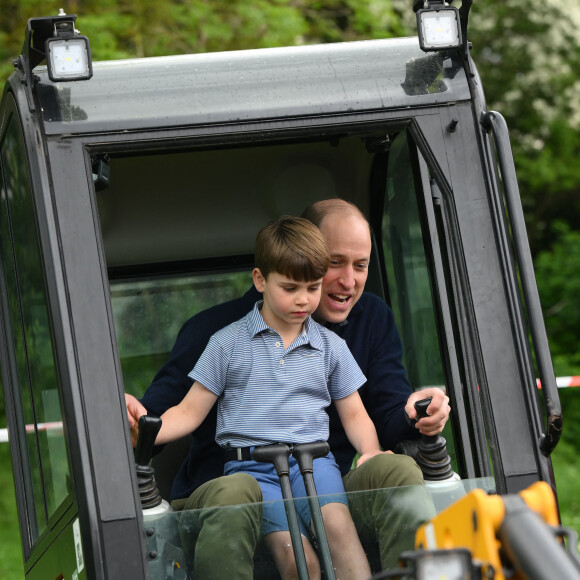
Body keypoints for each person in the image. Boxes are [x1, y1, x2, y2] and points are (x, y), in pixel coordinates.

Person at [126, 198, 450, 578]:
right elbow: (176, 412)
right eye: (335, 263)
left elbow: (369, 411)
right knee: (274, 536)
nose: (347, 281)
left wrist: (414, 414)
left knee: (387, 481)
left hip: (322, 471)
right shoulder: (219, 336)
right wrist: (140, 426)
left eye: (360, 266)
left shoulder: (350, 333)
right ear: (267, 275)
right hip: (245, 482)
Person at [149, 216, 383, 580]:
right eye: (290, 288)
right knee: (297, 560)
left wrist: (369, 452)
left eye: (313, 287)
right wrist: (143, 431)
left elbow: (355, 415)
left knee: (341, 536)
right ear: (260, 280)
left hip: (317, 465)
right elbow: (188, 413)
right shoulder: (225, 343)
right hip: (254, 471)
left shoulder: (330, 346)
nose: (304, 300)